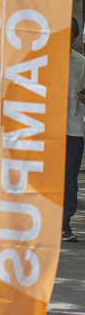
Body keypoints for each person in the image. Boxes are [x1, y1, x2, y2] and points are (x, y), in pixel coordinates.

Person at [64, 17, 85, 242]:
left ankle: (64, 225)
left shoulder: (81, 62)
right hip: (44, 131)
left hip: (72, 130)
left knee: (69, 180)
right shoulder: (41, 60)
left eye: (71, 37)